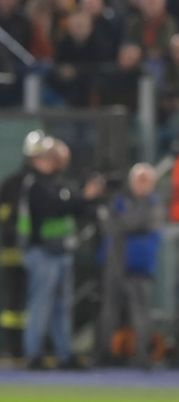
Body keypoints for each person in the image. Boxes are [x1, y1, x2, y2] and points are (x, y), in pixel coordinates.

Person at [18, 137, 104, 369]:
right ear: (37, 159)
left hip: (60, 251)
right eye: (47, 157)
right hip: (41, 252)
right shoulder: (34, 183)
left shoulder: (57, 182)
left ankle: (64, 354)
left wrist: (86, 198)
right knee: (40, 305)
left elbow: (77, 207)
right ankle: (33, 355)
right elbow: (52, 207)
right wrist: (83, 197)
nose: (52, 161)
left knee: (62, 308)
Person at [97, 163, 163, 368]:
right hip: (115, 264)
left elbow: (137, 222)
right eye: (139, 179)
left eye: (146, 180)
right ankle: (104, 355)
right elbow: (108, 225)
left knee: (141, 312)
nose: (142, 185)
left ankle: (143, 356)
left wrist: (121, 223)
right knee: (109, 311)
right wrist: (123, 224)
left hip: (140, 266)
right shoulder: (119, 201)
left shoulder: (153, 203)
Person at [0, 130, 46, 360]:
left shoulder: (15, 182)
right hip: (21, 250)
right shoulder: (19, 184)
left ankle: (19, 348)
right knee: (16, 302)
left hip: (29, 250)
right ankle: (16, 347)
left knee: (20, 301)